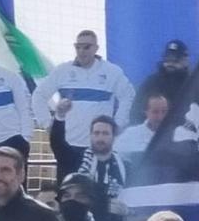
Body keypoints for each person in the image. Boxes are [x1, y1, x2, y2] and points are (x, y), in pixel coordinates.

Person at [33, 29, 136, 180]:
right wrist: (48, 124)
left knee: (99, 191)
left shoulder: (111, 72)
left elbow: (129, 95)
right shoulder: (63, 71)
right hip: (69, 146)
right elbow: (38, 95)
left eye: (86, 47)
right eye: (78, 47)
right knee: (69, 192)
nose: (81, 51)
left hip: (99, 147)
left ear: (96, 48)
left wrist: (118, 125)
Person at [73, 115, 128, 221]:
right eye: (96, 133)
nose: (100, 138)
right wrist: (104, 206)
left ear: (114, 137)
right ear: (90, 135)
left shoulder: (125, 165)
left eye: (105, 133)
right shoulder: (78, 161)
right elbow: (76, 198)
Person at [131, 39, 191, 124]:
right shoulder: (151, 82)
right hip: (154, 134)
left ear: (185, 61)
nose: (170, 63)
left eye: (175, 60)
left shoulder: (193, 85)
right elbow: (136, 112)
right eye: (167, 59)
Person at [118, 93, 168, 167]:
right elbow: (117, 159)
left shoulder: (178, 134)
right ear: (146, 112)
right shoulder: (131, 134)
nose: (160, 117)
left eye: (164, 111)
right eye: (155, 112)